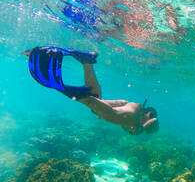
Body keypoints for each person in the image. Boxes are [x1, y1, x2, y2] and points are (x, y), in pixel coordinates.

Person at [24, 46, 159, 135]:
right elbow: (151, 122)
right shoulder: (140, 118)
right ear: (149, 113)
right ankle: (64, 85)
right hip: (124, 112)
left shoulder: (134, 119)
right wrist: (145, 124)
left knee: (94, 98)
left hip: (126, 107)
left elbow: (126, 124)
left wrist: (137, 128)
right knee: (90, 100)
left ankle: (87, 61)